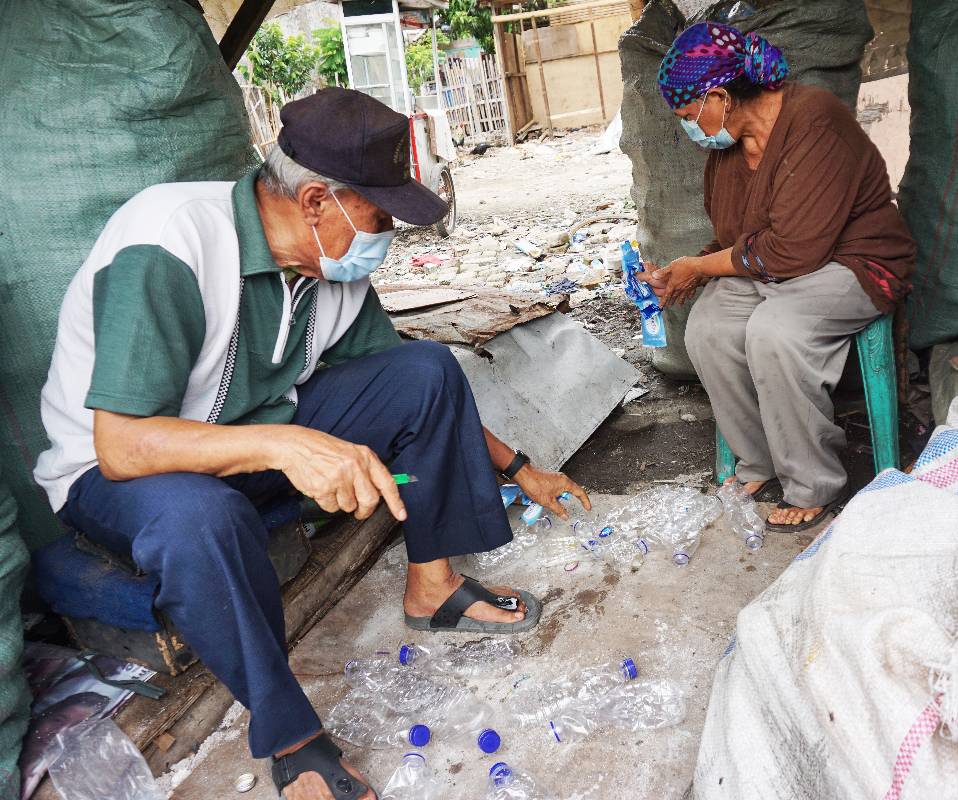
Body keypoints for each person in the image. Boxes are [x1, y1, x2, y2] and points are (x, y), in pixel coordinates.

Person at [33, 88, 590, 800]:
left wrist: (520, 466)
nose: (386, 233)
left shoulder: (327, 267)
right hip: (121, 476)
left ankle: (434, 585)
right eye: (379, 215)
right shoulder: (169, 242)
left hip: (255, 446)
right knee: (203, 518)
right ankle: (291, 736)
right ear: (319, 202)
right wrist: (287, 445)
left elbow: (413, 392)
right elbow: (121, 446)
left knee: (425, 370)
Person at [646, 22, 915, 532]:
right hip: (778, 265)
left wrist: (702, 267)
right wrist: (688, 273)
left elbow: (794, 249)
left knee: (775, 331)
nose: (691, 129)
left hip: (855, 262)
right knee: (707, 328)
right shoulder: (725, 153)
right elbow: (736, 237)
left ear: (720, 97)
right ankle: (757, 459)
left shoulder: (816, 121)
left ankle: (814, 484)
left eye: (688, 115)